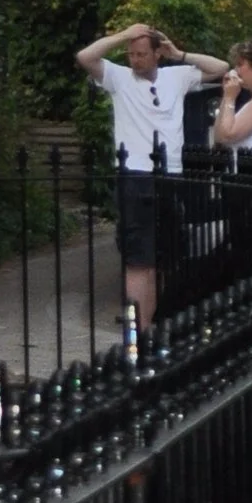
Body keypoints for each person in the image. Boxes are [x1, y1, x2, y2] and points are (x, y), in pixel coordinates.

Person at [75, 18, 227, 334]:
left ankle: (152, 326)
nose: (135, 59)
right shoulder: (118, 78)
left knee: (166, 257)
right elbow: (85, 58)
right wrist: (121, 36)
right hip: (136, 175)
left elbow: (221, 67)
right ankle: (138, 334)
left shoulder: (177, 76)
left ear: (157, 54)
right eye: (132, 53)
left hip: (170, 174)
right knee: (138, 258)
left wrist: (179, 53)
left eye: (142, 53)